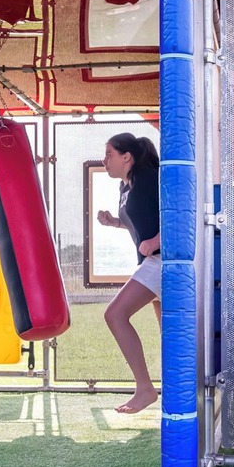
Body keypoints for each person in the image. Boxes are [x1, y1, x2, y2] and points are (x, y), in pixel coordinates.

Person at [96, 133, 161, 413]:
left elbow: (179, 212)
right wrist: (114, 224)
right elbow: (143, 220)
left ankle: (145, 389)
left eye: (109, 153)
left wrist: (156, 241)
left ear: (127, 157)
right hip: (153, 262)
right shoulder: (125, 188)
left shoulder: (149, 177)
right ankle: (177, 390)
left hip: (163, 261)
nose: (104, 159)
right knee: (168, 334)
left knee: (115, 314)